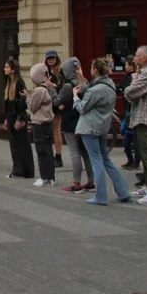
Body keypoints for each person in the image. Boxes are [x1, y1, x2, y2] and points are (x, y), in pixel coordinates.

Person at [74, 58, 133, 205]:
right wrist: (81, 79)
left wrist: (75, 98)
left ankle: (100, 196)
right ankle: (124, 192)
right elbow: (91, 93)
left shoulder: (96, 90)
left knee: (96, 160)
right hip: (102, 127)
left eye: (91, 67)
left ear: (95, 70)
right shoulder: (110, 85)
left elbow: (83, 107)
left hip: (89, 127)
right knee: (105, 160)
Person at [124, 45, 147, 205]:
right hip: (140, 117)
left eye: (137, 56)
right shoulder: (145, 72)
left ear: (145, 58)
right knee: (143, 152)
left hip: (146, 118)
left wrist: (131, 86)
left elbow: (131, 92)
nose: (134, 59)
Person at [55, 57, 95, 194]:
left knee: (74, 153)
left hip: (70, 122)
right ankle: (91, 182)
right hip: (84, 122)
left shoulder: (67, 86)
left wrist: (52, 90)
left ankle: (76, 183)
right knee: (85, 153)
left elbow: (57, 101)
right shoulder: (85, 83)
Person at [3, 59, 34, 179]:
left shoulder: (19, 83)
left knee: (22, 145)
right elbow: (7, 103)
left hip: (17, 117)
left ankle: (25, 171)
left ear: (13, 69)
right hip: (11, 116)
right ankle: (17, 170)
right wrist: (6, 119)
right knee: (14, 145)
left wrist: (20, 118)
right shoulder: (9, 83)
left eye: (7, 67)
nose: (4, 69)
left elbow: (22, 102)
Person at [28, 63, 56, 187]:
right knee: (49, 150)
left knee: (41, 150)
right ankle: (50, 177)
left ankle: (45, 177)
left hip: (39, 123)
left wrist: (28, 99)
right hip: (48, 123)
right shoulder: (47, 88)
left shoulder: (39, 90)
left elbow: (32, 107)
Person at [44, 51, 65, 167]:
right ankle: (49, 154)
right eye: (48, 59)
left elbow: (63, 88)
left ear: (57, 59)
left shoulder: (60, 73)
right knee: (48, 131)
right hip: (46, 103)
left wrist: (52, 86)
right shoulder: (45, 72)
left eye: (53, 58)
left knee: (56, 130)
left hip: (56, 103)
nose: (51, 60)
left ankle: (58, 156)